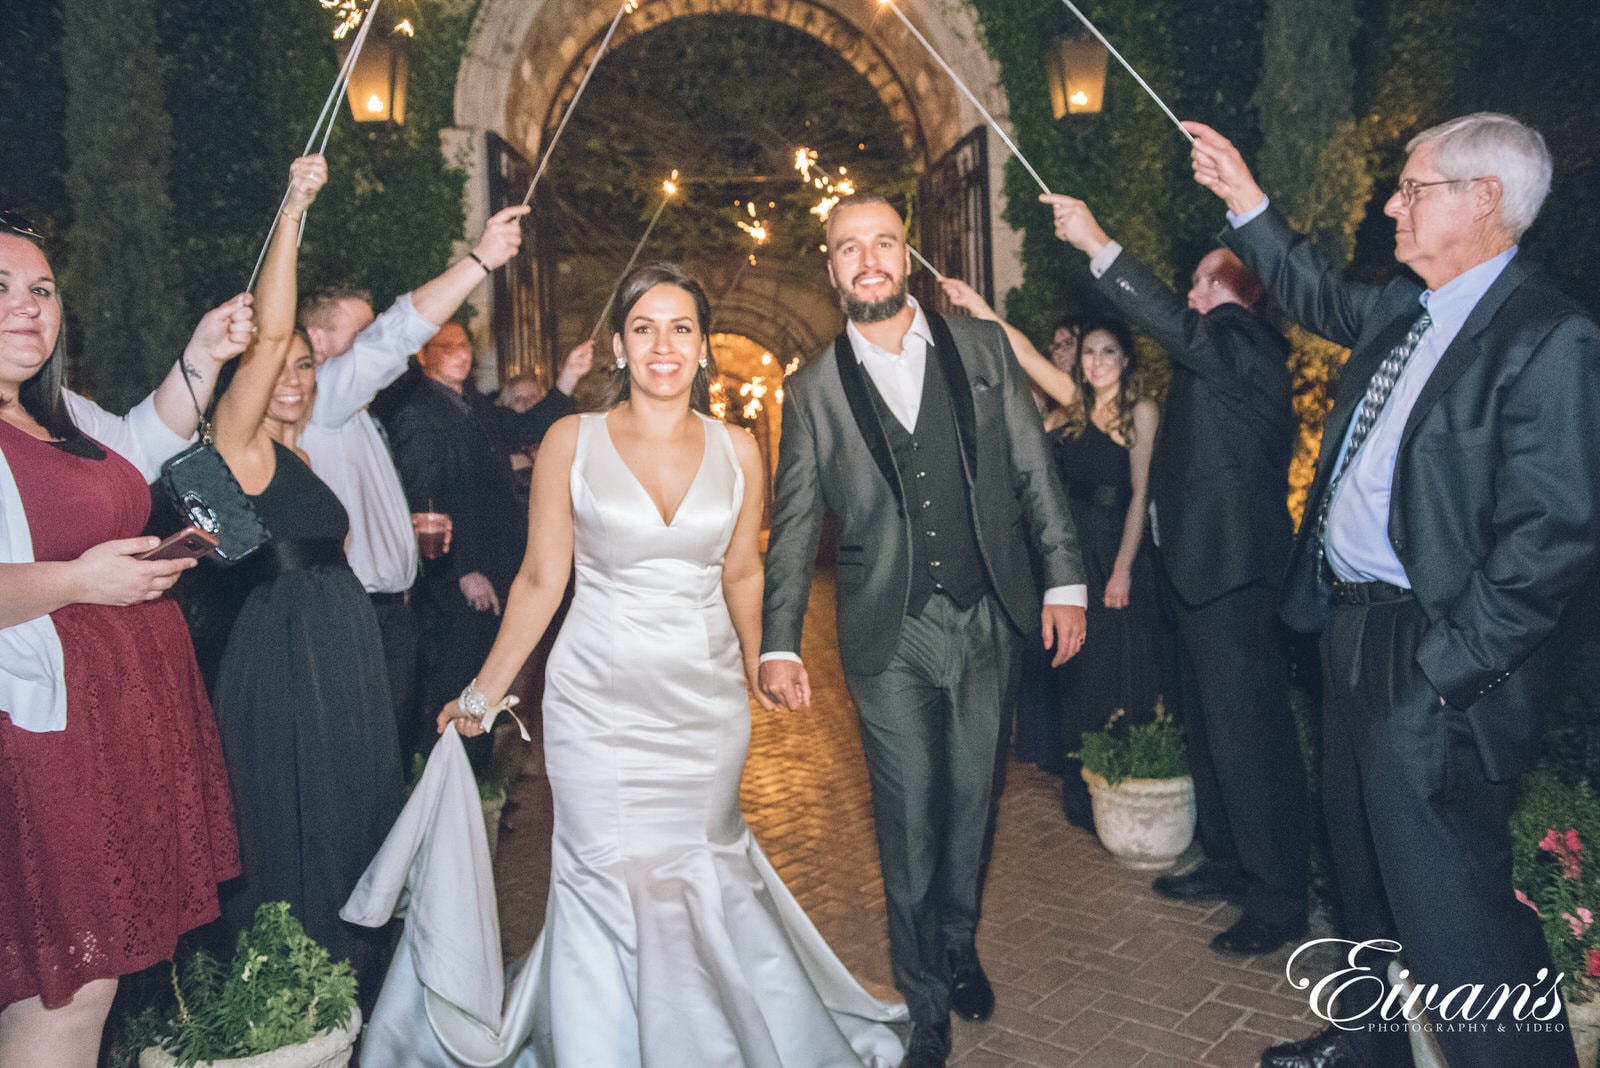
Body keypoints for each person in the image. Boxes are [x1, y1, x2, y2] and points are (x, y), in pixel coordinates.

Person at [1187, 112, 1599, 1068]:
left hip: (1439, 650)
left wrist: (1443, 670)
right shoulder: (1407, 311)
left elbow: (1555, 539)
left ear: (1484, 200)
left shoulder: (1548, 336)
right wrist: (1245, 199)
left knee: (1454, 905)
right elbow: (1313, 291)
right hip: (1353, 628)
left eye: (1411, 189)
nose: (1390, 206)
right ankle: (1369, 1047)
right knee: (1364, 866)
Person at [437, 262, 906, 1065]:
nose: (664, 344)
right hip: (596, 701)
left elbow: (743, 572)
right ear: (620, 344)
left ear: (701, 347)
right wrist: (485, 692)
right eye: (645, 327)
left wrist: (768, 657)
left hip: (703, 705)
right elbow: (543, 579)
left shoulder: (737, 450)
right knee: (598, 877)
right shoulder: (569, 441)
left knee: (702, 871)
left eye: (681, 327)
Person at [758, 197, 1088, 1068]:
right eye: (847, 249)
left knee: (974, 802)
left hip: (988, 614)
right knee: (907, 818)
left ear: (908, 256)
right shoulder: (812, 389)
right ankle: (926, 1000)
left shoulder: (979, 351)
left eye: (883, 243)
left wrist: (1067, 577)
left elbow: (1031, 466)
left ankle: (960, 940)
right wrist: (779, 639)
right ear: (830, 269)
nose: (867, 260)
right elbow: (793, 524)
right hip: (886, 633)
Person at [0, 212, 249, 1066]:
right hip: (39, 741)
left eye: (40, 290)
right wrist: (80, 581)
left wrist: (203, 353)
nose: (26, 308)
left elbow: (144, 444)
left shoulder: (58, 413)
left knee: (95, 979)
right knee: (67, 983)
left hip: (115, 726)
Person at [1042, 192, 1309, 956]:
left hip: (1234, 580)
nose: (1193, 296)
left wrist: (1098, 240)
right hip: (1196, 577)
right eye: (1190, 283)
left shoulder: (1244, 345)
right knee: (1212, 732)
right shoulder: (1218, 352)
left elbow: (1170, 320)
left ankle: (1279, 902)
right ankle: (1226, 863)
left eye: (1205, 282)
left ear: (1247, 292)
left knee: (1251, 743)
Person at [206, 156, 405, 995]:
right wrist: (293, 210)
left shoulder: (300, 453)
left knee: (351, 817)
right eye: (278, 364)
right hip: (289, 660)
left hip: (339, 655)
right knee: (301, 821)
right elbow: (275, 322)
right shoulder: (238, 442)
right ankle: (298, 994)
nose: (294, 376)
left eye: (304, 367)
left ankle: (349, 993)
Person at [297, 205, 529, 761]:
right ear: (317, 340)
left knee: (389, 755)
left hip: (392, 610)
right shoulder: (324, 397)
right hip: (358, 613)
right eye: (360, 333)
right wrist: (479, 260)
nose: (375, 345)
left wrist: (401, 528)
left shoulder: (356, 412)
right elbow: (397, 336)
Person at [939, 282, 1167, 823]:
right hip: (1076, 551)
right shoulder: (1078, 405)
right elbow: (1025, 355)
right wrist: (978, 307)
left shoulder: (1142, 412)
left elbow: (1140, 496)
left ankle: (1124, 781)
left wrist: (1122, 570)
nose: (1096, 361)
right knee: (1080, 669)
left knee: (1119, 667)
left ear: (1126, 358)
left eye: (1108, 351)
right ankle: (1082, 790)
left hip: (1116, 548)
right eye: (1089, 351)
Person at [388, 324, 591, 773]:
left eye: (464, 346)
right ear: (422, 356)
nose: (460, 354)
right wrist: (462, 570)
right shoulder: (419, 413)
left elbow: (523, 426)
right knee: (458, 672)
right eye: (447, 347)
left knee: (484, 668)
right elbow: (424, 504)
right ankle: (446, 777)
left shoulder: (471, 405)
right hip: (458, 577)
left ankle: (473, 778)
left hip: (492, 564)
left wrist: (568, 379)